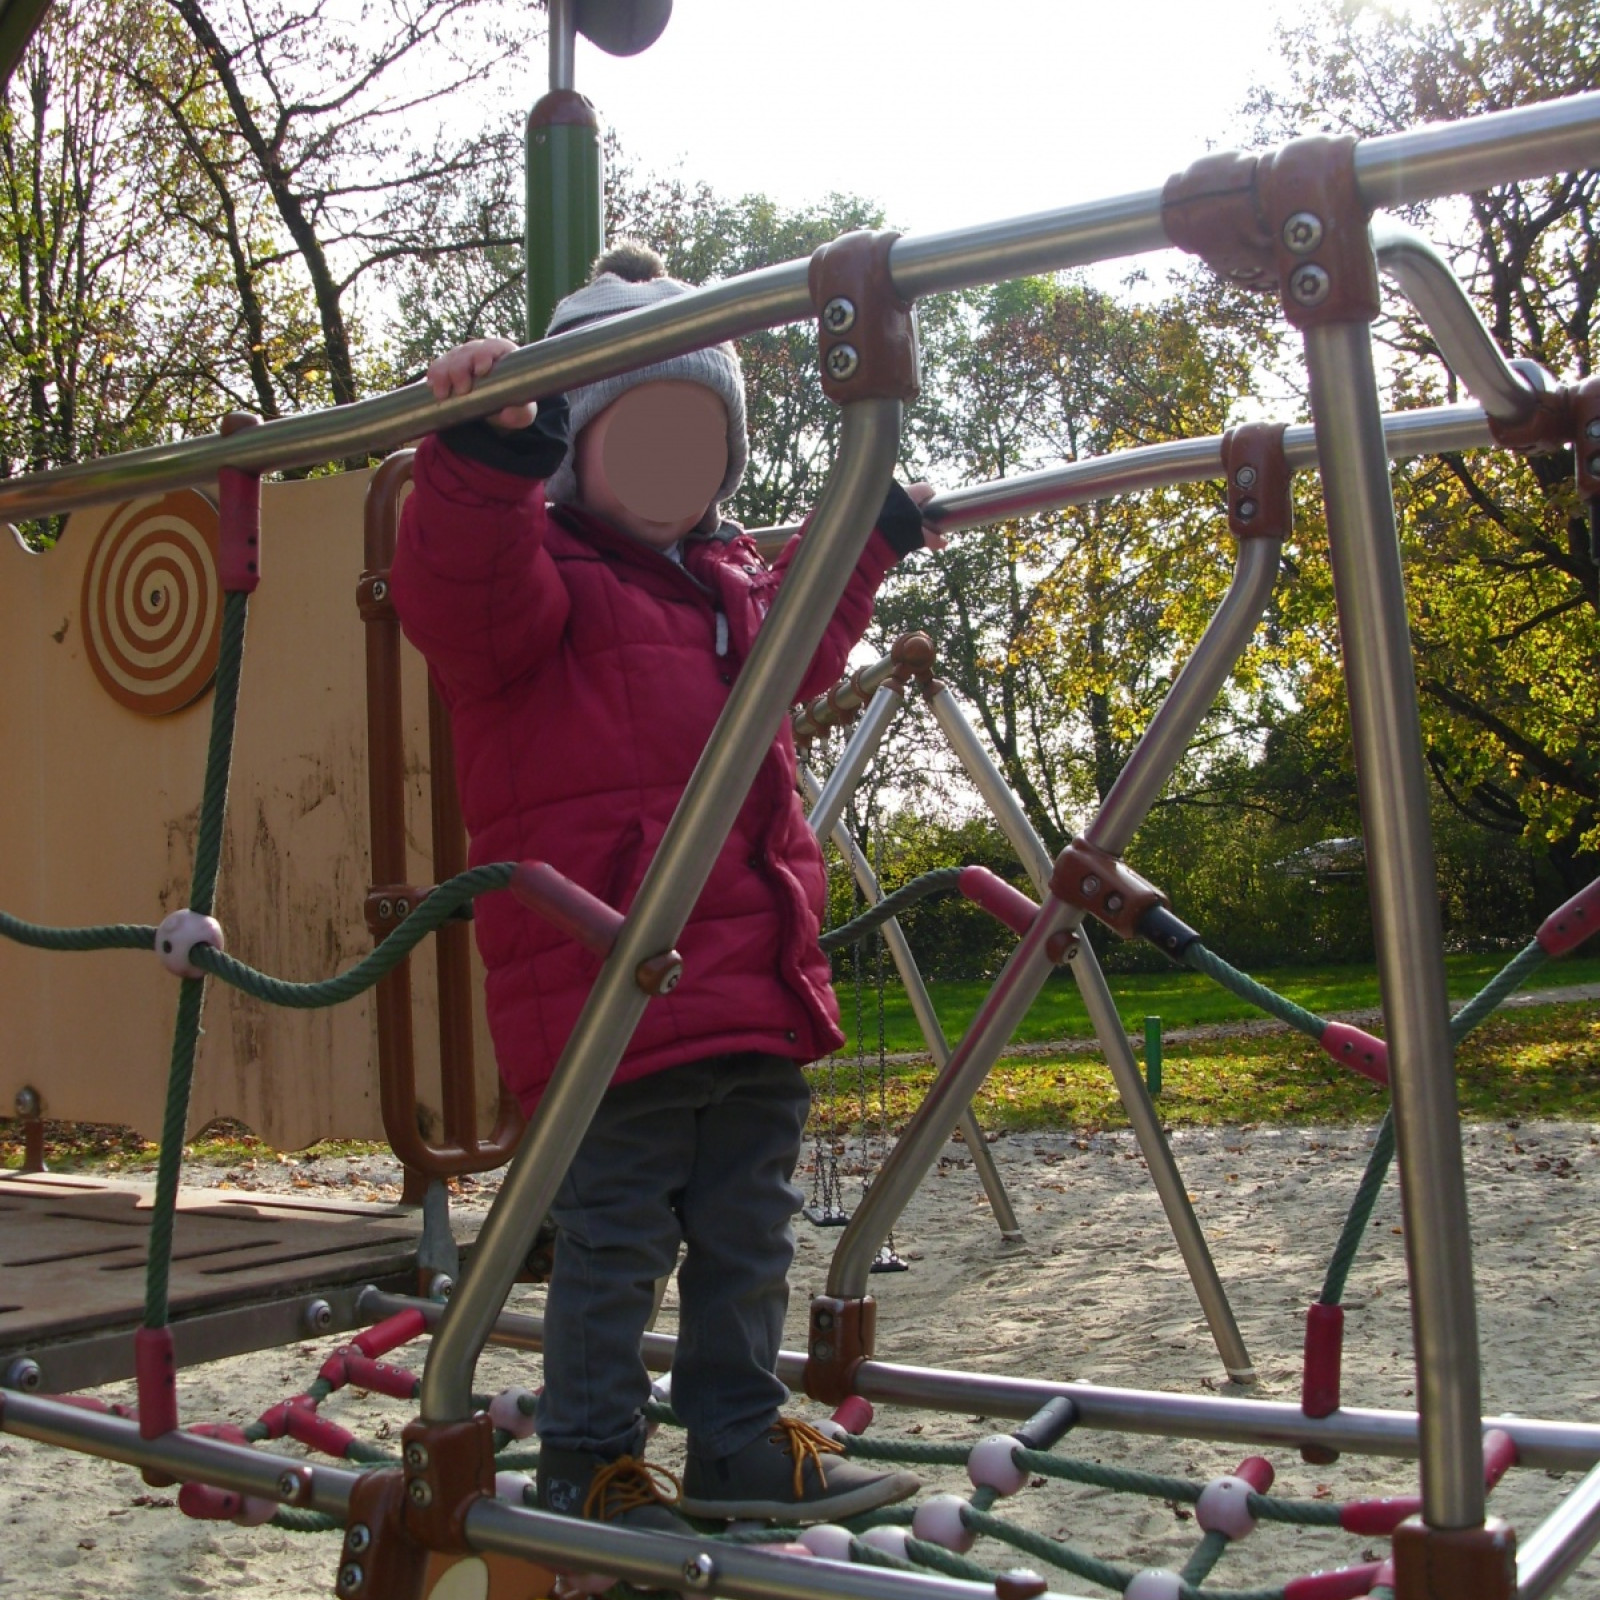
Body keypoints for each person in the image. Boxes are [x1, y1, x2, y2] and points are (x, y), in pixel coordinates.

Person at [391, 241, 939, 1532]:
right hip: (612, 993)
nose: (669, 467)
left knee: (751, 1234)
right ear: (573, 450)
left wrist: (869, 533)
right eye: (637, 436)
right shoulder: (538, 589)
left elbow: (807, 639)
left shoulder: (733, 589)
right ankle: (590, 1458)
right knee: (616, 1242)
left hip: (751, 985)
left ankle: (737, 1435)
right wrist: (481, 450)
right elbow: (453, 584)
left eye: (697, 442)